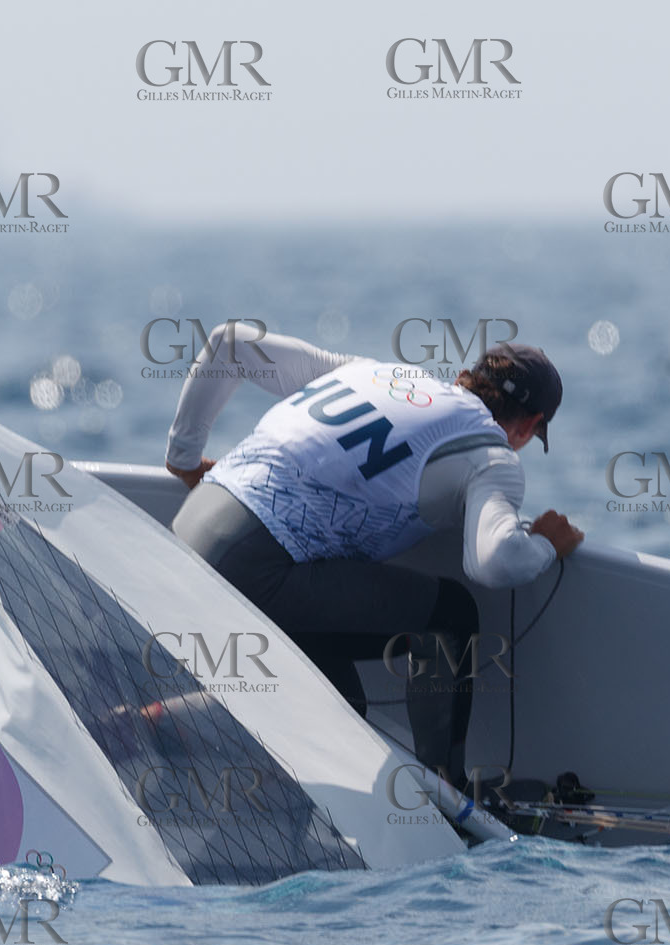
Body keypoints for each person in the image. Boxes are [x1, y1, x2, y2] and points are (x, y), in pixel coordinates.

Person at [165, 326, 583, 789]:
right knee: (451, 616)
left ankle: (143, 726)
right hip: (255, 570)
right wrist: (546, 543)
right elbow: (495, 561)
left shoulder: (374, 372)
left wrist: (185, 456)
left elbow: (231, 343)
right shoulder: (492, 455)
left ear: (466, 376)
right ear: (530, 424)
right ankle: (448, 803)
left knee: (342, 705)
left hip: (186, 531)